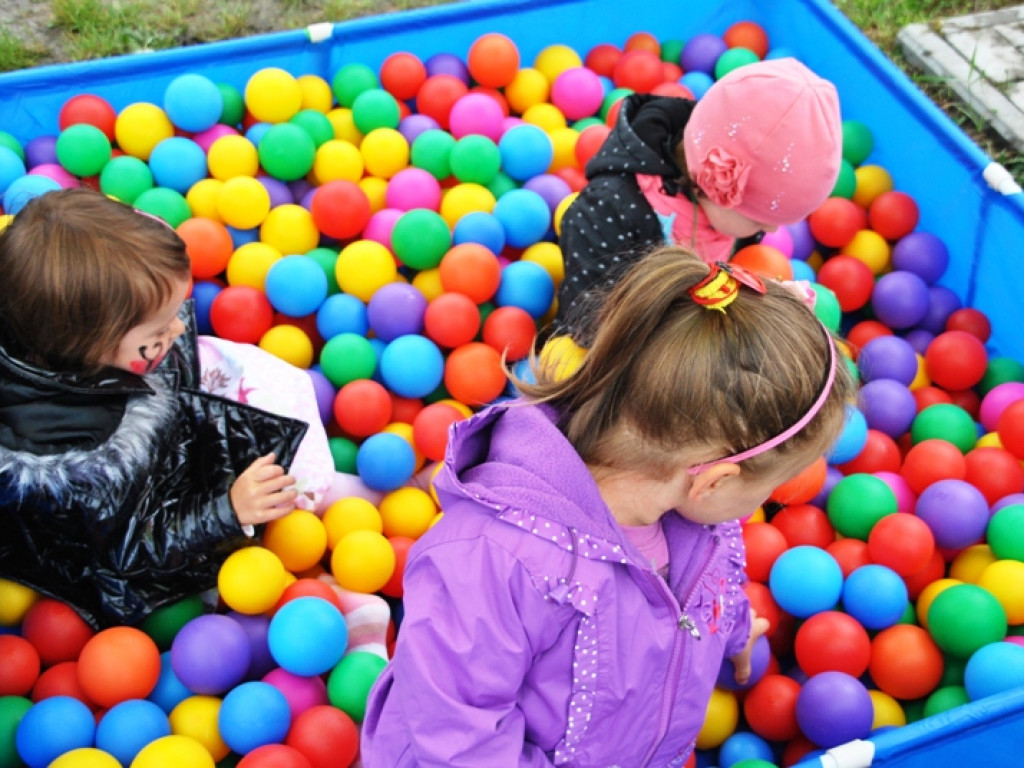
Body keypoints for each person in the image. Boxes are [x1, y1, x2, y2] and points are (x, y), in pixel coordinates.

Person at [361, 246, 856, 767]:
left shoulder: (694, 519)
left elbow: (704, 584)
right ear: (714, 481)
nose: (762, 505)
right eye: (769, 491)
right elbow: (461, 743)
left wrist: (732, 628)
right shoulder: (493, 561)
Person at [0, 188, 319, 629]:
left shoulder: (54, 329)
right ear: (91, 347)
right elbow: (132, 551)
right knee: (283, 500)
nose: (180, 324)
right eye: (159, 326)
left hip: (144, 412)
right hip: (147, 547)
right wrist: (226, 510)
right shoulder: (80, 461)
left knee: (280, 390)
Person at [552, 57, 843, 342]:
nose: (769, 232)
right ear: (716, 187)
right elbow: (588, 325)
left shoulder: (728, 212)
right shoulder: (610, 209)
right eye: (759, 220)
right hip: (629, 353)